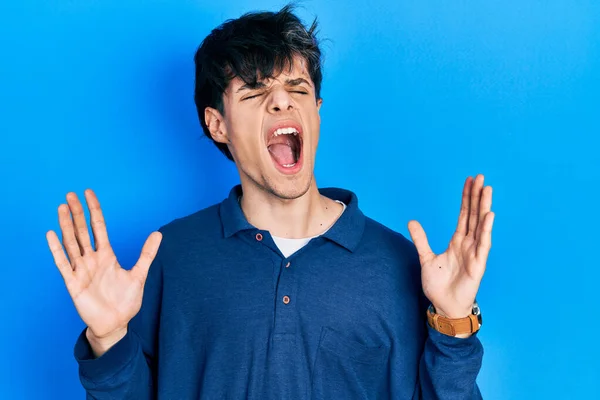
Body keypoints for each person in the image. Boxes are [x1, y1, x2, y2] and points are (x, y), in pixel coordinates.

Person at [46, 4, 495, 399]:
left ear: (316, 111)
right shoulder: (170, 256)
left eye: (298, 90)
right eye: (256, 92)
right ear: (217, 124)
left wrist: (453, 323)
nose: (282, 102)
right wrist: (108, 338)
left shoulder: (398, 262)